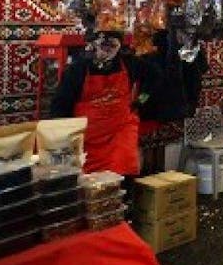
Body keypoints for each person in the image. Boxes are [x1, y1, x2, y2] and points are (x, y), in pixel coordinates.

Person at [50, 31, 161, 176]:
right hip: (88, 138)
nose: (108, 49)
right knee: (90, 185)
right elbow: (60, 105)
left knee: (123, 176)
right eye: (104, 44)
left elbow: (155, 76)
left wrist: (141, 100)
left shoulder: (129, 63)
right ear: (94, 44)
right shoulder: (77, 70)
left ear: (119, 45)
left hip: (120, 132)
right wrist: (63, 139)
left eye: (113, 45)